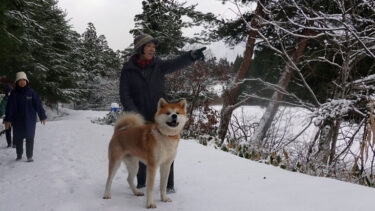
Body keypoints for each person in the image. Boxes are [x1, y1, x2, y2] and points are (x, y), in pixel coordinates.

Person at [120, 33, 205, 193]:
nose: (152, 49)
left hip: (161, 116)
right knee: (143, 148)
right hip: (140, 115)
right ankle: (142, 183)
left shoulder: (158, 65)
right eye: (148, 46)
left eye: (153, 47)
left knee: (168, 148)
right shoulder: (128, 70)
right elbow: (125, 95)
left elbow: (175, 64)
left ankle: (168, 186)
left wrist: (191, 56)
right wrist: (136, 116)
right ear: (140, 49)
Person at [4, 72, 47, 162]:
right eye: (20, 80)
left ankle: (29, 156)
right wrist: (8, 120)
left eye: (24, 80)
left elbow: (38, 105)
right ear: (17, 82)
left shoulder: (31, 93)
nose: (22, 82)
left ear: (26, 81)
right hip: (17, 120)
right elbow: (9, 108)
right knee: (18, 138)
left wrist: (42, 116)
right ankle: (19, 154)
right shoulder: (14, 94)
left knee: (30, 137)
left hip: (29, 119)